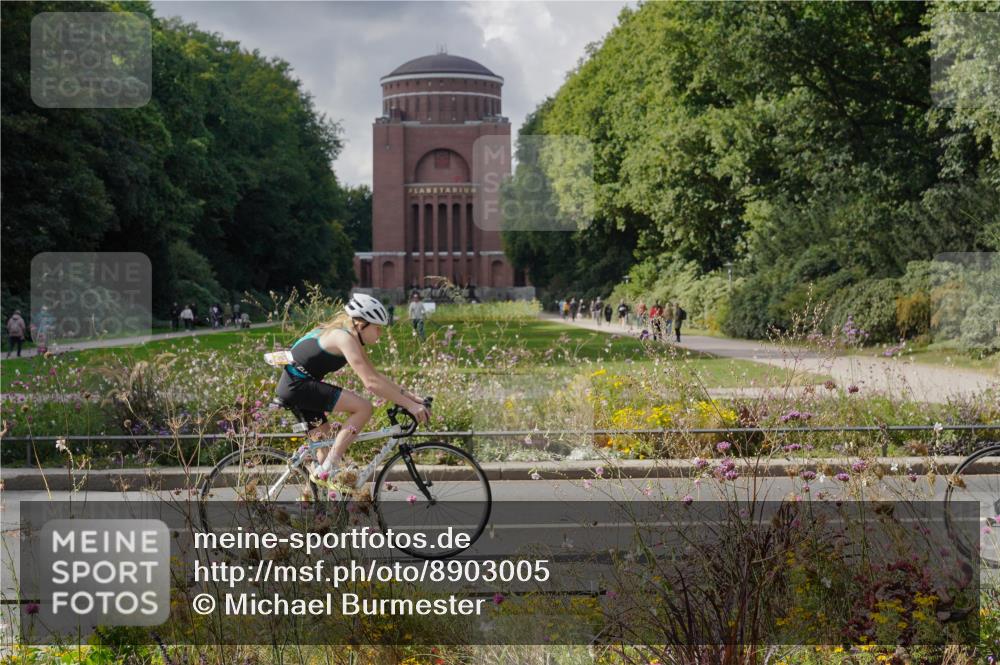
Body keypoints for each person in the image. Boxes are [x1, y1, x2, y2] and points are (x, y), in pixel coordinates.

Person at [275, 293, 431, 490]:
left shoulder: (349, 336)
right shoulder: (343, 337)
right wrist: (410, 405)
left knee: (326, 456)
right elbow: (371, 383)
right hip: (298, 386)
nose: (380, 334)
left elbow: (376, 375)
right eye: (377, 328)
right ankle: (326, 470)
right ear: (361, 324)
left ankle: (322, 510)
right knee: (363, 408)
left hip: (298, 386)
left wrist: (412, 398)